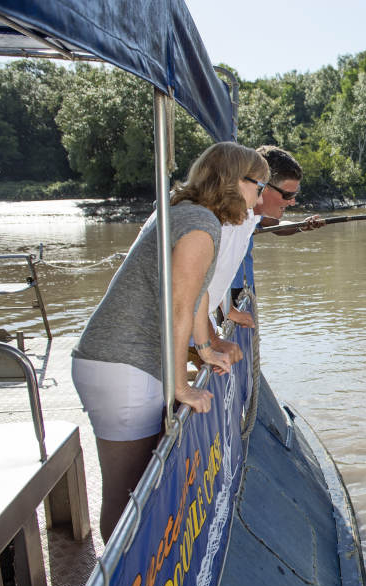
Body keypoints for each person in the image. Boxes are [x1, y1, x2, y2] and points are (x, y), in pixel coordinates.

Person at [71, 141, 269, 541]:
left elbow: (195, 299)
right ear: (234, 181)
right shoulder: (200, 226)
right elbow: (180, 307)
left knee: (134, 490)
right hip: (124, 365)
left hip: (118, 362)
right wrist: (182, 386)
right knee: (129, 496)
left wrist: (208, 347)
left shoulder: (190, 214)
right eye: (259, 186)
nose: (260, 198)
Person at [226, 145, 324, 319]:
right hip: (228, 297)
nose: (293, 202)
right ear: (263, 185)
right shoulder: (227, 217)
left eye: (296, 194)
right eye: (288, 195)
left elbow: (276, 225)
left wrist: (302, 225)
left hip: (244, 293)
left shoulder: (253, 214)